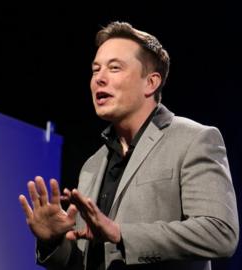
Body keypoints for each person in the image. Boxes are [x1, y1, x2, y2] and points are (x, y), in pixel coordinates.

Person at [18, 21, 239, 270]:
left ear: (151, 83)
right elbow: (83, 262)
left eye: (114, 68)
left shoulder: (193, 139)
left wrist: (122, 234)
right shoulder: (92, 165)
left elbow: (220, 233)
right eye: (95, 70)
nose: (99, 79)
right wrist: (53, 241)